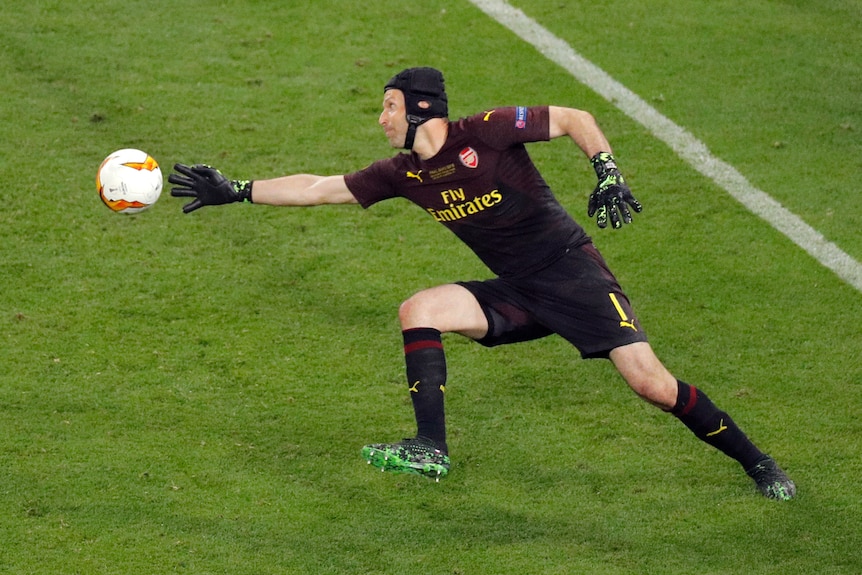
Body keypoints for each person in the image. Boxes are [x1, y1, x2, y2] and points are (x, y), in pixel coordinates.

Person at [169, 67, 796, 500]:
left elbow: (575, 117)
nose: (380, 117)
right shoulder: (403, 173)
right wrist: (239, 191)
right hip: (517, 289)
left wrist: (607, 173)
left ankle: (757, 461)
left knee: (651, 385)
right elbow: (318, 187)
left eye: (388, 105)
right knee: (420, 308)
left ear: (420, 110)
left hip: (572, 274)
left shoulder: (485, 131)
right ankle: (431, 449)